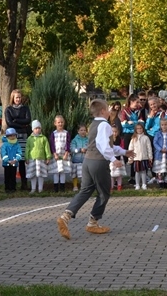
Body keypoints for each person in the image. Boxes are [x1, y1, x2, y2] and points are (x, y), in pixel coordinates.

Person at [56, 99, 133, 239]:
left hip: (87, 161)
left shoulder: (93, 124)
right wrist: (114, 160)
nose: (110, 111)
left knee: (85, 190)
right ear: (103, 111)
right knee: (104, 193)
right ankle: (93, 222)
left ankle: (65, 216)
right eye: (108, 108)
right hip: (99, 163)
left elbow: (103, 145)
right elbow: (104, 146)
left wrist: (123, 152)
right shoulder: (105, 125)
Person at [2, 90, 31, 191]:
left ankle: (24, 183)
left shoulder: (25, 108)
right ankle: (11, 185)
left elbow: (28, 120)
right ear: (12, 98)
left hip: (23, 135)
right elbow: (10, 123)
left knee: (22, 160)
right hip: (13, 137)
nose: (18, 99)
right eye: (16, 97)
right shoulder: (8, 109)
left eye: (19, 97)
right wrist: (22, 124)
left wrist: (17, 120)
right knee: (13, 160)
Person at [25, 120, 50, 194]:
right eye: (36, 128)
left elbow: (47, 148)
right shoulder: (30, 139)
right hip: (32, 159)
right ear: (33, 129)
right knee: (33, 174)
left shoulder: (43, 138)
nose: (38, 129)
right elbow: (27, 148)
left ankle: (40, 188)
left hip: (41, 159)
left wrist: (48, 157)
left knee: (40, 174)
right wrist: (26, 157)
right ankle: (33, 188)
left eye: (39, 128)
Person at [49, 115, 71, 194]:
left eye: (62, 122)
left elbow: (68, 144)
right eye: (58, 122)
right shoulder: (53, 134)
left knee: (63, 171)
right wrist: (54, 154)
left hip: (64, 155)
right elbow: (52, 144)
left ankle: (62, 188)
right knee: (56, 171)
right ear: (55, 123)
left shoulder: (66, 133)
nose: (60, 124)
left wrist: (66, 153)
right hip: (56, 155)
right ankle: (55, 188)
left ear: (64, 123)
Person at [152, 116, 167, 188]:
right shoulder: (158, 134)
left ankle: (165, 182)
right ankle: (160, 182)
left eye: (165, 124)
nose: (164, 126)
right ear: (160, 126)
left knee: (166, 169)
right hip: (160, 154)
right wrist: (160, 149)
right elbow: (155, 142)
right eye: (162, 125)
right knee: (160, 169)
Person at [129, 121, 153, 190]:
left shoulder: (146, 138)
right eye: (138, 128)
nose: (139, 130)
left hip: (144, 158)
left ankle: (144, 184)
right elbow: (130, 149)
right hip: (136, 158)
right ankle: (137, 184)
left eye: (140, 128)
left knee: (144, 171)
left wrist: (150, 157)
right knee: (137, 172)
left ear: (143, 129)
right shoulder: (133, 138)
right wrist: (130, 158)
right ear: (135, 130)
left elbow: (149, 148)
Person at [1, 128, 23, 193]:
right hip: (6, 163)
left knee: (13, 176)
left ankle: (13, 188)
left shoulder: (17, 144)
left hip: (14, 163)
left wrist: (16, 159)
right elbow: (3, 153)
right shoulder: (5, 145)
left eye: (14, 135)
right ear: (7, 136)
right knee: (7, 176)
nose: (12, 137)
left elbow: (19, 153)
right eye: (10, 136)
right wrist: (7, 160)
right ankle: (7, 188)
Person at [69, 124, 88, 192]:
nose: (83, 132)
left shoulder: (87, 139)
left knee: (84, 174)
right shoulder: (74, 140)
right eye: (81, 130)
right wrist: (80, 150)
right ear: (78, 131)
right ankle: (75, 186)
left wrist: (86, 149)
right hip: (75, 160)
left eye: (84, 130)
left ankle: (83, 186)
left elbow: (89, 147)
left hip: (84, 160)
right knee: (75, 174)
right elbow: (72, 149)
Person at [109, 125, 125, 191]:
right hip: (111, 158)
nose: (114, 133)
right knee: (112, 174)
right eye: (113, 132)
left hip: (119, 157)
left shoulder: (120, 139)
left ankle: (119, 185)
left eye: (116, 132)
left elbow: (122, 148)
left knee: (119, 174)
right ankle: (111, 186)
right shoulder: (108, 140)